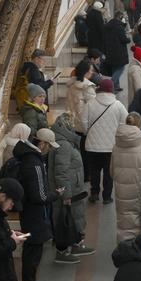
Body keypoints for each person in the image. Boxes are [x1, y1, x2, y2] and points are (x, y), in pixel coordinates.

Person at [14, 129, 55, 281]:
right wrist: (56, 195)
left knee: (32, 250)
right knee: (33, 251)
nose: (49, 150)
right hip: (35, 215)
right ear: (42, 144)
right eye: (49, 146)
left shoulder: (27, 158)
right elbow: (40, 195)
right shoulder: (35, 163)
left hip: (28, 212)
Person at [49, 113, 93, 264]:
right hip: (69, 191)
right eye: (72, 124)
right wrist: (66, 194)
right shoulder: (64, 145)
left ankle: (75, 244)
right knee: (66, 220)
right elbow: (61, 172)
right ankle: (62, 252)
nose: (74, 127)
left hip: (74, 189)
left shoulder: (65, 141)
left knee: (74, 218)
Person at [111, 111, 141, 241]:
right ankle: (136, 251)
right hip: (140, 190)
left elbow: (111, 171)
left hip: (121, 190)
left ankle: (122, 248)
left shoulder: (116, 146)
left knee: (123, 221)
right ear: (140, 125)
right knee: (137, 221)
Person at [83, 77, 128, 203]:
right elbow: (125, 122)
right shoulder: (118, 105)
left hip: (92, 146)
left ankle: (94, 193)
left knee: (95, 170)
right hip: (111, 146)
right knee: (109, 172)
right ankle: (107, 196)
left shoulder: (90, 103)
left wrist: (88, 133)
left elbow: (83, 122)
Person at [66, 58, 98, 136]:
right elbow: (94, 107)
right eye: (91, 70)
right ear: (85, 71)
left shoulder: (71, 85)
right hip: (85, 125)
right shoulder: (88, 87)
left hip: (72, 122)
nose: (92, 72)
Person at [105, 11, 131, 90]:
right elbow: (124, 39)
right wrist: (128, 39)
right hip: (118, 51)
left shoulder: (108, 26)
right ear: (120, 17)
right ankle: (111, 84)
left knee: (114, 68)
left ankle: (116, 86)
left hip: (110, 49)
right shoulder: (119, 27)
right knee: (121, 67)